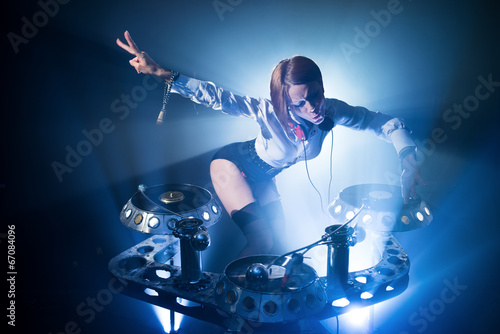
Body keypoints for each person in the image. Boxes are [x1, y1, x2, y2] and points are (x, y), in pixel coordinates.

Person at [116, 31, 424, 257]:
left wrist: (408, 157)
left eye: (315, 95)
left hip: (264, 177)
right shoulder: (266, 112)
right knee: (262, 241)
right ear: (284, 102)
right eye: (299, 103)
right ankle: (231, 308)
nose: (313, 108)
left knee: (280, 244)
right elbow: (219, 97)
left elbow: (383, 123)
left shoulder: (332, 110)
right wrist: (162, 73)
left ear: (322, 87)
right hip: (231, 165)